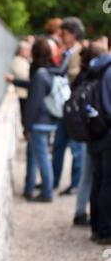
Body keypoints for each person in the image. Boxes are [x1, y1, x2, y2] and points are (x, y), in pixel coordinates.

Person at [22, 37, 59, 203]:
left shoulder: (39, 74)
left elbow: (34, 102)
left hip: (38, 122)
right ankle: (29, 187)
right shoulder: (51, 70)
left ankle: (47, 193)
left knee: (42, 157)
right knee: (33, 154)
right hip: (48, 120)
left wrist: (26, 126)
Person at [52, 17, 85, 196]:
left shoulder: (79, 53)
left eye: (63, 33)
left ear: (73, 34)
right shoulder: (66, 52)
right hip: (64, 106)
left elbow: (76, 76)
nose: (61, 36)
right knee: (58, 145)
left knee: (76, 149)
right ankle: (54, 180)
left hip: (74, 108)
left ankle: (75, 185)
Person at [72, 44, 104, 226]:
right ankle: (93, 216)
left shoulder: (81, 77)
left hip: (85, 130)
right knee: (96, 176)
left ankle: (80, 211)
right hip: (96, 131)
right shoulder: (97, 77)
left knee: (87, 176)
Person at [87, 44, 111, 244]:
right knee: (107, 182)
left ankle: (97, 227)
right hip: (108, 131)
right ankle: (105, 231)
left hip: (96, 130)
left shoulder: (98, 66)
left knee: (99, 179)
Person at [9, 40, 31, 125]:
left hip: (25, 90)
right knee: (25, 113)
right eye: (27, 50)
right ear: (21, 50)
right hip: (23, 91)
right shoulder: (18, 61)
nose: (28, 52)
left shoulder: (24, 60)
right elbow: (23, 75)